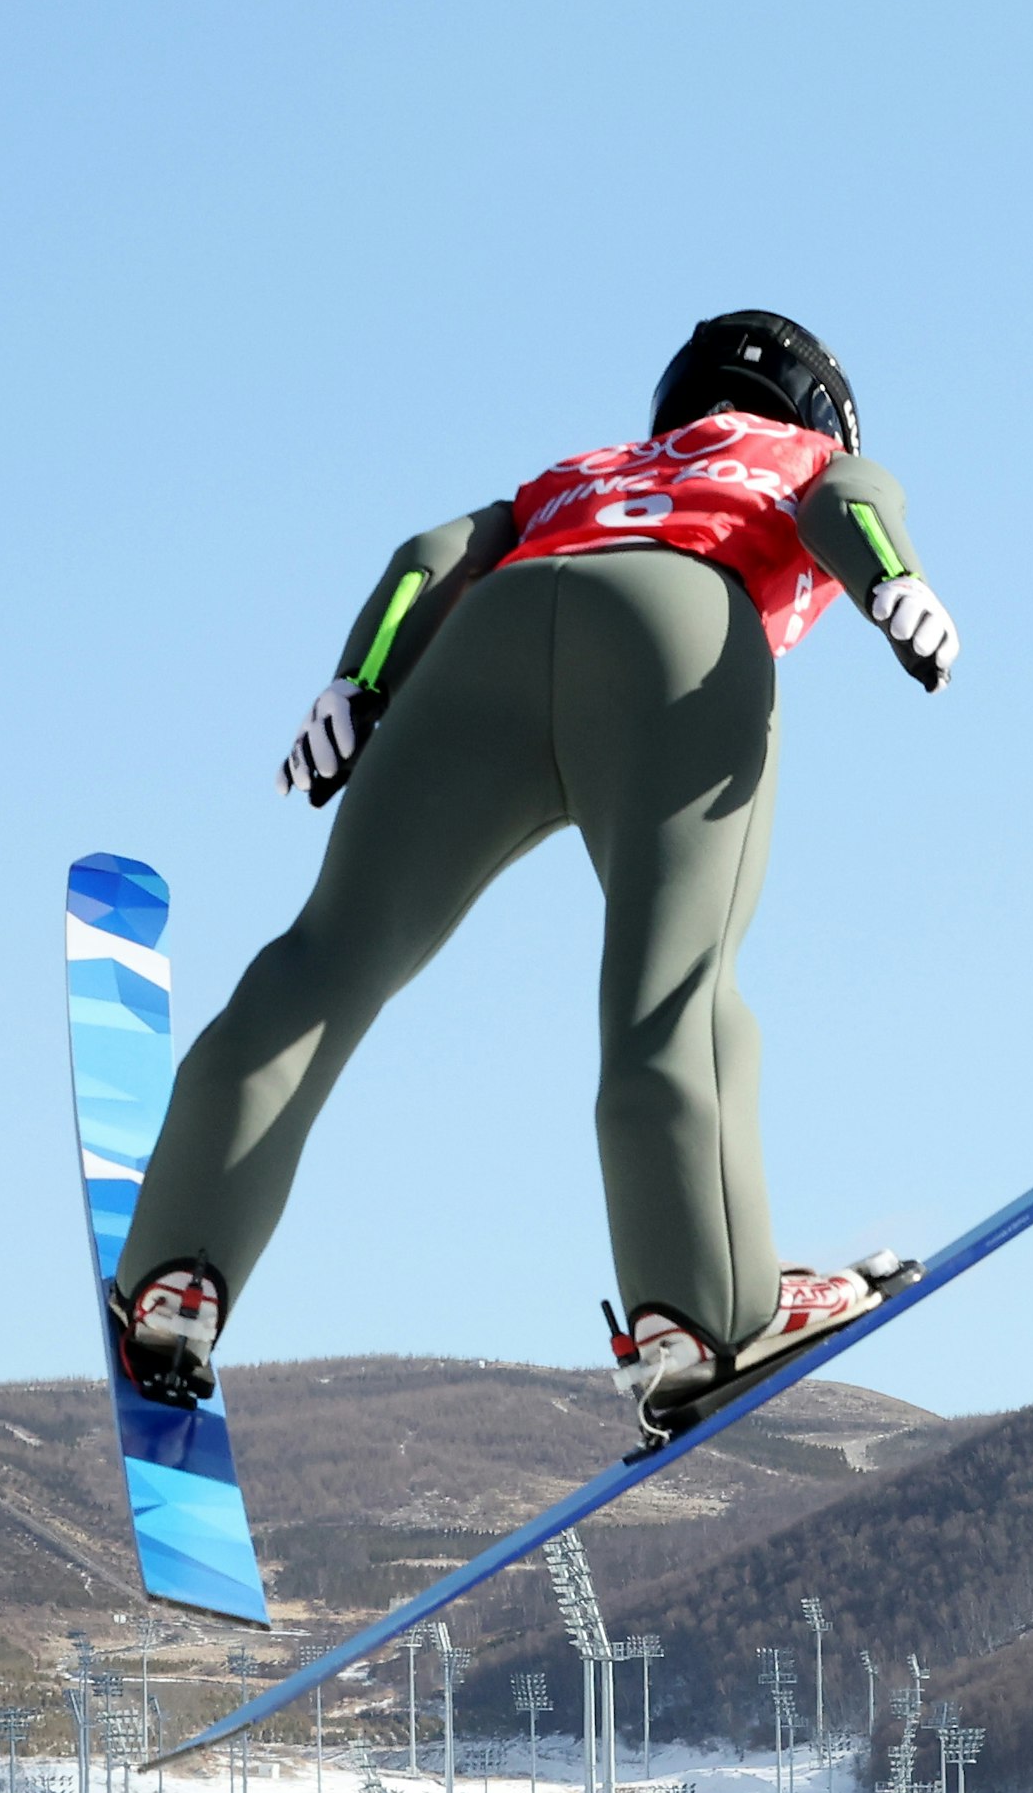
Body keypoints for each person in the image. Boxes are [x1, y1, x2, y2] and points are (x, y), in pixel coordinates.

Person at [111, 311, 960, 1441]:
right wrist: (894, 585)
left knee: (326, 957)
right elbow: (848, 505)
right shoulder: (797, 452)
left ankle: (176, 1273)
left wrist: (357, 689)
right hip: (678, 626)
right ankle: (693, 1317)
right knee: (673, 991)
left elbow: (430, 557)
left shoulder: (583, 471)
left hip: (496, 632)